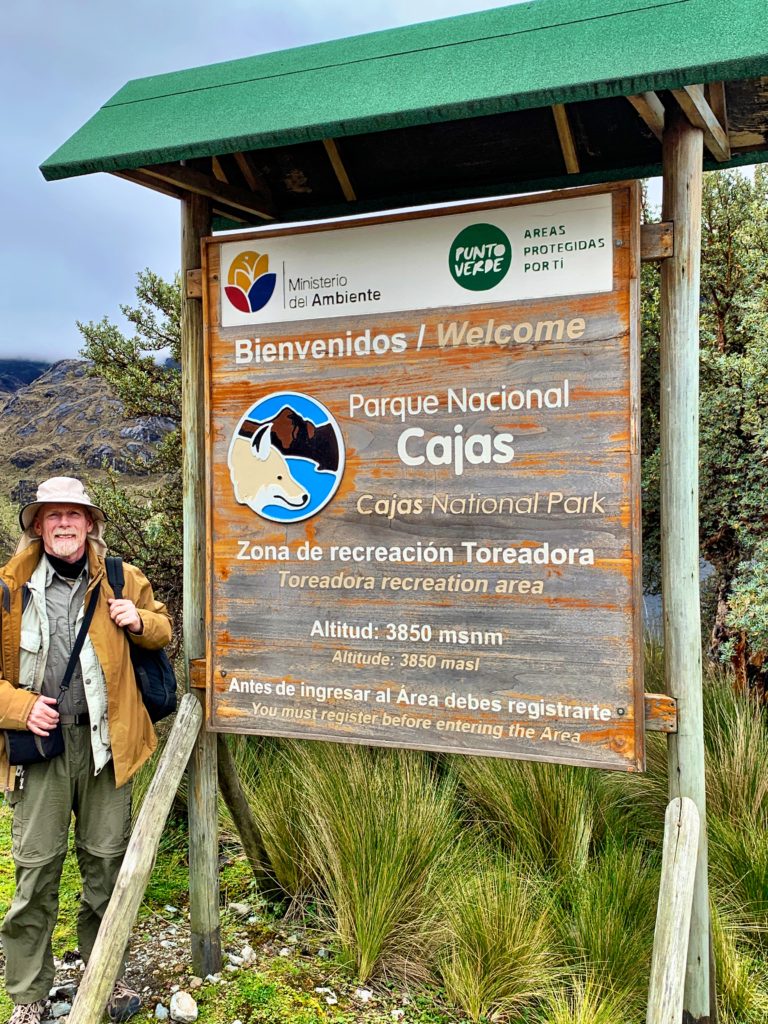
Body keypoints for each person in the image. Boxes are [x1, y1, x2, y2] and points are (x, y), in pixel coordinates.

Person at [0, 477, 172, 1024]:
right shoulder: (8, 590)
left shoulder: (124, 578)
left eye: (74, 514)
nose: (65, 524)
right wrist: (20, 708)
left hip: (107, 745)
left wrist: (138, 621)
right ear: (37, 526)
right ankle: (29, 998)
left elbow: (164, 628)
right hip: (41, 749)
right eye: (53, 516)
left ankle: (103, 978)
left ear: (91, 523)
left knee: (106, 868)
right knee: (35, 874)